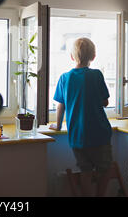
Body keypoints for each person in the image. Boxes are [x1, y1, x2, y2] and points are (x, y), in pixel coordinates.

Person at [50, 37, 113, 197]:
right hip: (99, 132)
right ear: (93, 56)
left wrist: (57, 126)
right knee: (104, 169)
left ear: (72, 57)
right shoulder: (97, 75)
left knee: (85, 171)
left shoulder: (64, 78)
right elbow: (105, 102)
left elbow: (60, 105)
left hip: (77, 136)